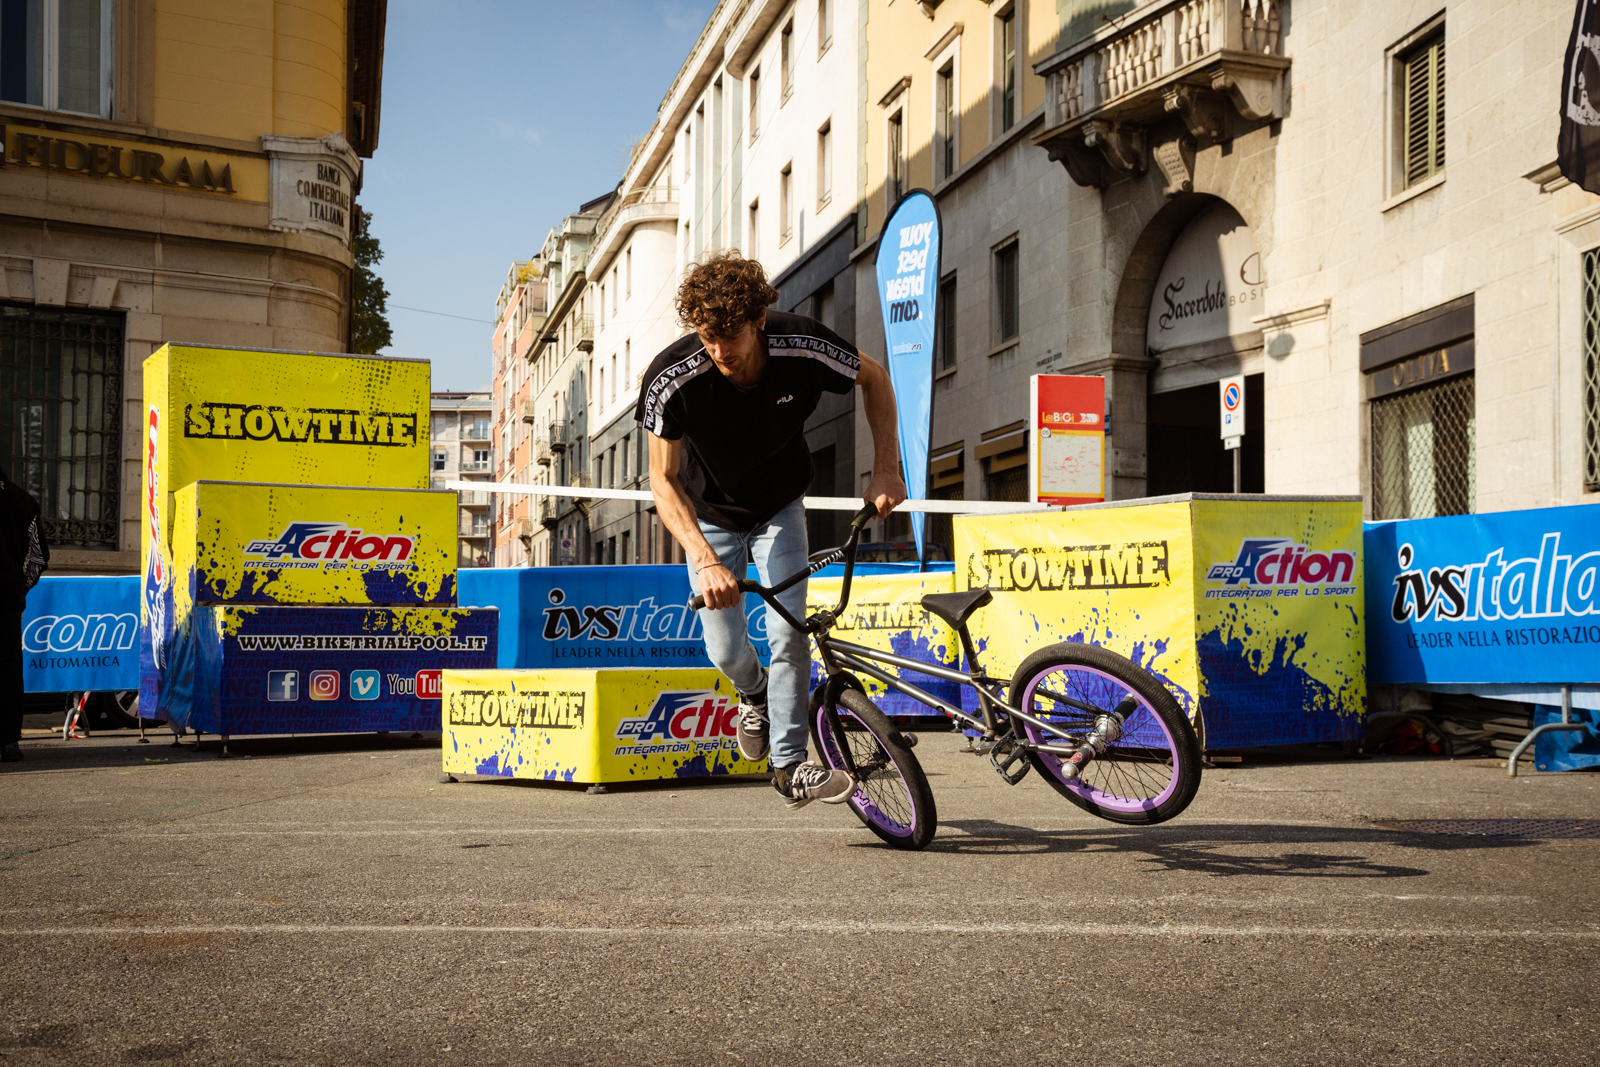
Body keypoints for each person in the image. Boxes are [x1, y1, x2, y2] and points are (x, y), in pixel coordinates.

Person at [637, 251, 907, 809]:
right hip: (708, 519)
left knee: (789, 634)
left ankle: (789, 765)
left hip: (781, 506)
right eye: (707, 337)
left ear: (760, 318)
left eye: (730, 335)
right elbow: (662, 482)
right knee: (726, 648)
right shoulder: (672, 377)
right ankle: (751, 690)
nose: (719, 351)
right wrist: (704, 558)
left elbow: (874, 378)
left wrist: (886, 466)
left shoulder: (800, 344)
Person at [1, 469, 49, 762]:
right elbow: (38, 556)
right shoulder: (23, 500)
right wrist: (20, 589)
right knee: (7, 669)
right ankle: (8, 740)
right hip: (6, 600)